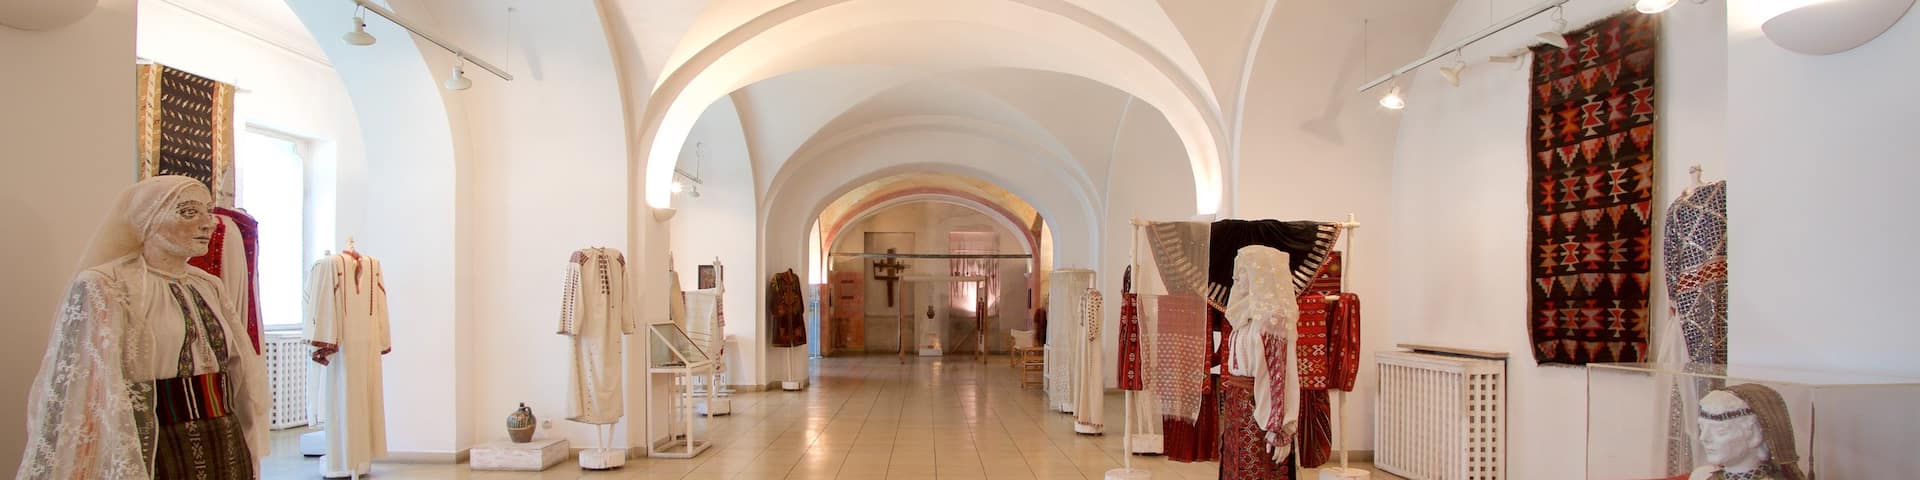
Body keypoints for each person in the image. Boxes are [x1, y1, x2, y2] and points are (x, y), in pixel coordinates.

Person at [18, 176, 268, 479]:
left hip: (223, 434)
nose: (209, 223)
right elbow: (89, 384)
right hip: (156, 441)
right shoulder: (106, 284)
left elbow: (237, 369)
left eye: (207, 211)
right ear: (147, 218)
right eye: (189, 212)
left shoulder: (208, 285)